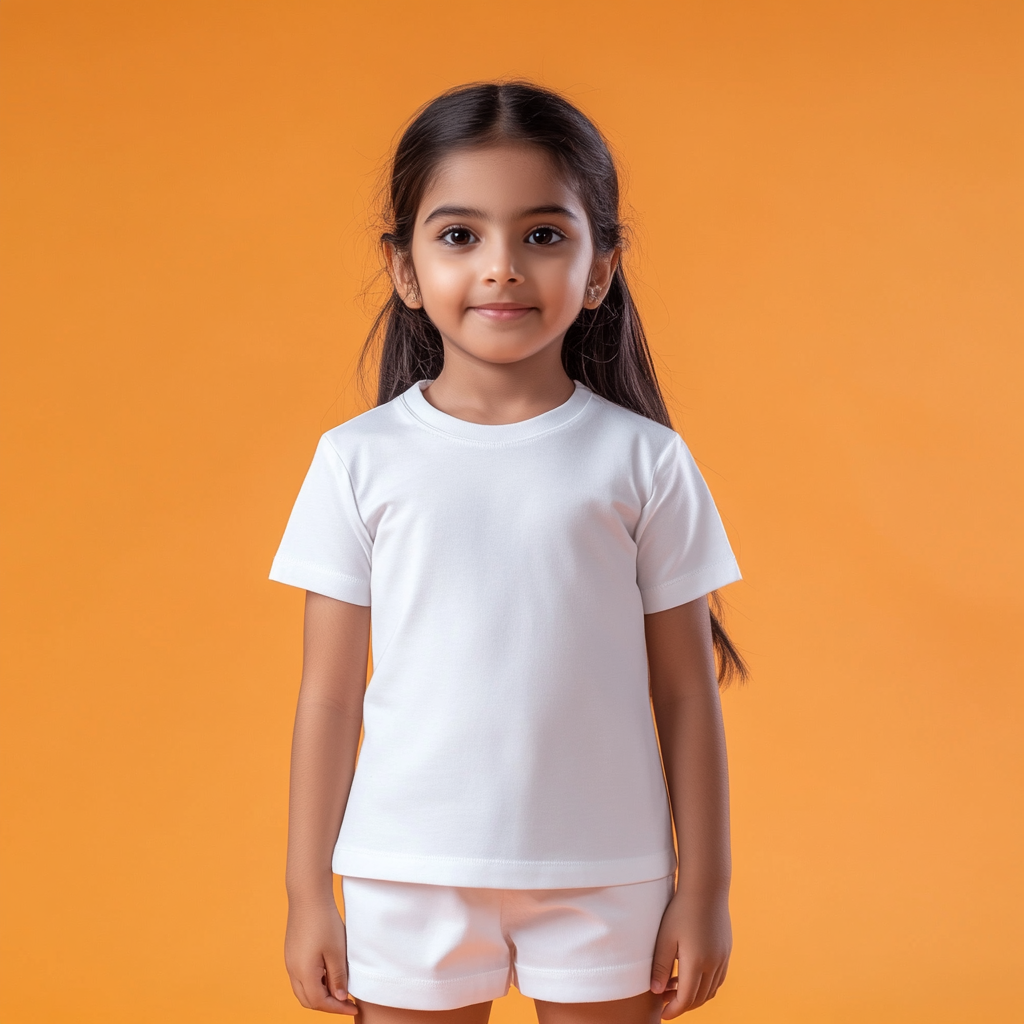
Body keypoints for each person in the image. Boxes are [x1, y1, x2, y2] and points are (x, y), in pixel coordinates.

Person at [269, 81, 746, 1024]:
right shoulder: (356, 461)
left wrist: (705, 892)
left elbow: (687, 691)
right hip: (405, 872)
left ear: (600, 267)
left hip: (608, 871)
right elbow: (329, 694)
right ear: (404, 268)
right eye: (459, 236)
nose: (501, 269)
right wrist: (305, 895)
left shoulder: (644, 459)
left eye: (543, 235)